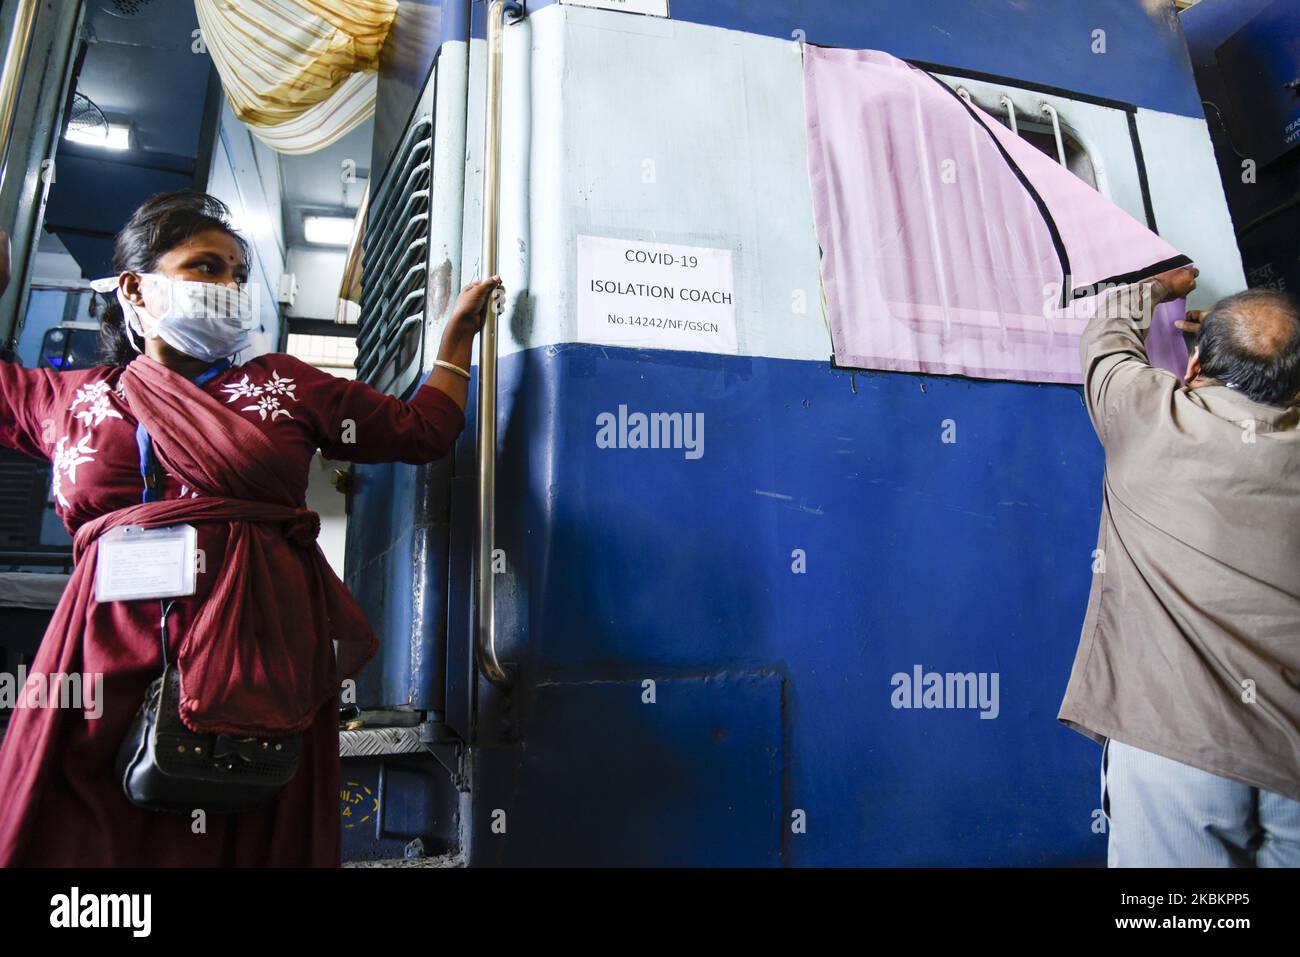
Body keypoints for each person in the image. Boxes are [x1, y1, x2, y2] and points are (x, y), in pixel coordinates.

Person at [0, 190, 500, 866]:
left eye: (238, 274)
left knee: (247, 828)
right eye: (205, 268)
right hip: (98, 655)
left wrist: (457, 340)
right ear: (134, 287)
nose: (228, 288)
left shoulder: (285, 385)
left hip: (254, 656)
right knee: (79, 838)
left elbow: (423, 430)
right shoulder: (68, 397)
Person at [1059, 264, 1300, 867]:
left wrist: (1164, 288)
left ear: (1192, 368)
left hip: (1181, 750)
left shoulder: (1145, 418)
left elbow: (1106, 332)